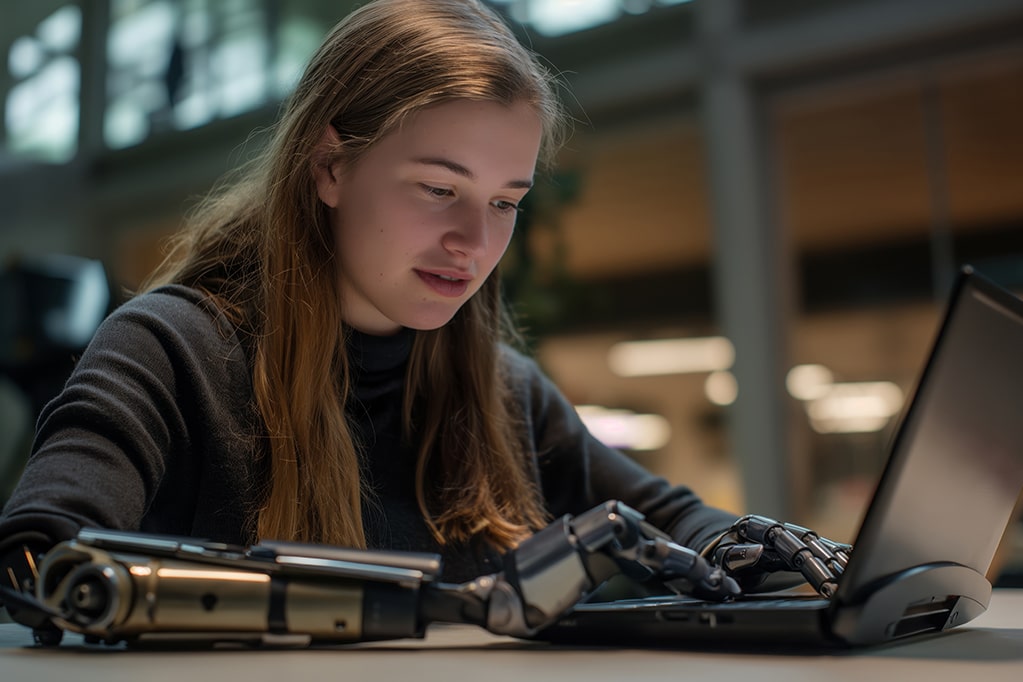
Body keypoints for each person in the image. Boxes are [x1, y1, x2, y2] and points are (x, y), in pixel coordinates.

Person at [0, 0, 756, 617]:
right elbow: (35, 558)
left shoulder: (506, 392)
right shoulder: (169, 350)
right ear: (330, 166)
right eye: (438, 189)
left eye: (503, 202)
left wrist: (748, 549)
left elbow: (673, 518)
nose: (473, 241)